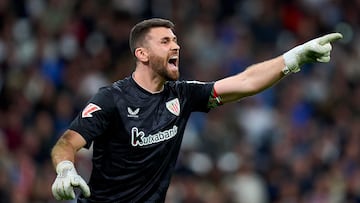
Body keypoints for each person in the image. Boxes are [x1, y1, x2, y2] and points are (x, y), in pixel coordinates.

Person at [50, 18, 342, 202]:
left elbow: (246, 80)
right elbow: (67, 143)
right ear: (142, 54)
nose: (176, 46)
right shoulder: (112, 98)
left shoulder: (184, 94)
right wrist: (65, 169)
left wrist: (293, 59)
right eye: (165, 41)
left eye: (176, 40)